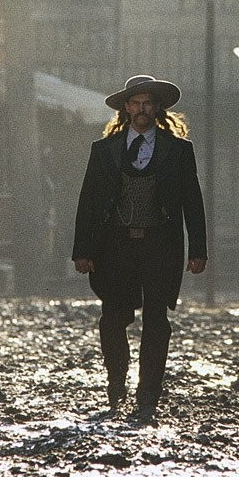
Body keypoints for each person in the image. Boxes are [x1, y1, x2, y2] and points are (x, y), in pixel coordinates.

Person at [72, 75, 207, 419]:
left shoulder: (178, 151)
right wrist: (82, 250)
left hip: (161, 245)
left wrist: (198, 249)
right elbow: (88, 200)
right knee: (113, 318)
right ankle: (116, 380)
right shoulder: (103, 151)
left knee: (157, 319)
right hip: (115, 246)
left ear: (157, 108)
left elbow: (193, 200)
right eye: (136, 103)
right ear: (126, 108)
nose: (142, 109)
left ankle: (149, 391)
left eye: (148, 102)